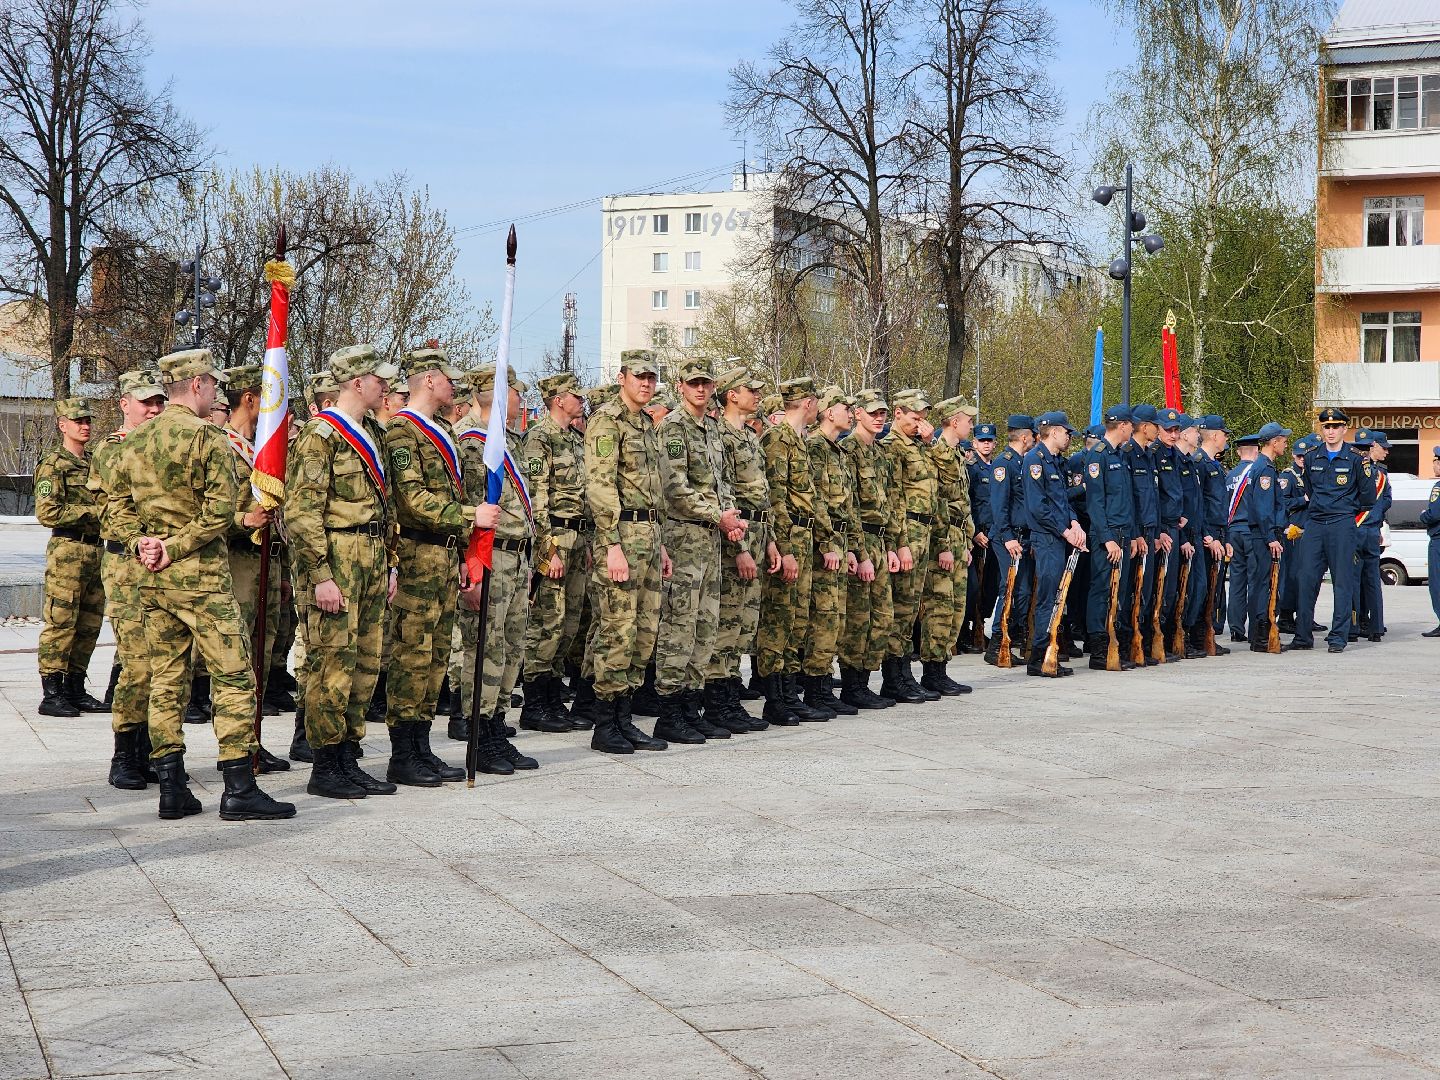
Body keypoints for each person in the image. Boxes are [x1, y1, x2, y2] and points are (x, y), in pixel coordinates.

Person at [108, 348, 293, 821]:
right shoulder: (208, 439)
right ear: (195, 386)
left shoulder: (135, 442)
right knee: (232, 675)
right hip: (202, 579)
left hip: (154, 581)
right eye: (211, 383)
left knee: (166, 680)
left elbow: (117, 509)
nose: (216, 391)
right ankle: (238, 786)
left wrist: (144, 544)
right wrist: (175, 544)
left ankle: (171, 788)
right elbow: (217, 512)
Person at [285, 344, 400, 798]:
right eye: (379, 379)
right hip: (337, 556)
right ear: (357, 382)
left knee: (366, 662)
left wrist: (389, 562)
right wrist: (320, 575)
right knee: (332, 662)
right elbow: (301, 512)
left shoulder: (372, 429)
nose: (386, 386)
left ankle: (349, 754)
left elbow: (384, 503)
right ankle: (326, 763)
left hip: (371, 556)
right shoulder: (321, 435)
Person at [382, 346, 481, 785]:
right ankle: (403, 751)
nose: (453, 385)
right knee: (413, 654)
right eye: (448, 378)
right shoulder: (403, 433)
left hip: (443, 555)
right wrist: (468, 518)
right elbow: (413, 499)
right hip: (418, 555)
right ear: (427, 379)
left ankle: (422, 745)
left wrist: (461, 549)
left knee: (437, 654)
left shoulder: (440, 430)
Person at [652, 358, 748, 742]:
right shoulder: (674, 427)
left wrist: (731, 529)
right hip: (685, 537)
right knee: (679, 626)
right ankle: (669, 711)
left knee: (705, 627)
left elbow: (722, 486)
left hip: (711, 538)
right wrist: (718, 515)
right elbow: (674, 487)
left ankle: (692, 706)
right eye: (694, 384)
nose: (701, 390)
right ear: (681, 386)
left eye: (706, 383)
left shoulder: (711, 428)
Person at [584, 349, 672, 753]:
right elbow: (601, 487)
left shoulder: (647, 423)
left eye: (652, 377)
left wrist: (663, 544)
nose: (646, 383)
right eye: (639, 376)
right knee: (617, 630)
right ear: (622, 377)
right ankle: (606, 724)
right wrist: (611, 545)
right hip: (621, 536)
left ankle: (626, 717)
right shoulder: (607, 420)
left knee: (644, 631)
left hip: (650, 536)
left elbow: (655, 490)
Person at [455, 363, 538, 773]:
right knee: (484, 650)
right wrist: (471, 567)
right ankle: (478, 733)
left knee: (510, 648)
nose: (521, 399)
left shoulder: (509, 442)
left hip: (516, 557)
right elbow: (469, 511)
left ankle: (496, 726)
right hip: (490, 557)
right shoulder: (471, 444)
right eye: (516, 392)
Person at [89, 370, 166, 787]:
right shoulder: (113, 449)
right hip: (127, 564)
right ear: (124, 404)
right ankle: (124, 755)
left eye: (158, 402)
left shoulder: (162, 445)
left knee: (163, 662)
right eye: (144, 402)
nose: (153, 409)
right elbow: (114, 511)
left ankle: (150, 750)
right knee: (137, 661)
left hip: (161, 562)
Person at [217, 364, 289, 773]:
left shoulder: (259, 447)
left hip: (269, 559)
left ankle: (255, 739)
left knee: (264, 650)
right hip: (239, 562)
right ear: (250, 399)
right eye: (269, 399)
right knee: (241, 656)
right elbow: (209, 508)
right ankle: (238, 746)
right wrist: (242, 520)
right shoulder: (223, 446)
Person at [705, 364, 777, 731]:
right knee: (727, 624)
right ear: (732, 394)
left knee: (745, 624)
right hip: (736, 539)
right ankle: (717, 703)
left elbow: (762, 497)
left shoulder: (749, 436)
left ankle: (731, 699)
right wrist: (741, 548)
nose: (757, 394)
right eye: (751, 389)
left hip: (759, 532)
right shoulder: (720, 438)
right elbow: (725, 500)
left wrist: (772, 543)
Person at [519, 372, 590, 733]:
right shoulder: (539, 438)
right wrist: (548, 550)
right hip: (556, 538)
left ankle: (552, 698)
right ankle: (534, 702)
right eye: (574, 394)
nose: (581, 399)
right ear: (558, 399)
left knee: (570, 623)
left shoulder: (576, 440)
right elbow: (536, 499)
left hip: (579, 537)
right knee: (548, 621)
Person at [34, 397, 108, 716]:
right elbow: (48, 511)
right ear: (62, 425)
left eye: (88, 420)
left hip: (96, 550)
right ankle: (52, 693)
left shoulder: (93, 463)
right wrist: (94, 512)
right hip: (67, 551)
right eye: (78, 421)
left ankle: (75, 687)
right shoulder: (53, 464)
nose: (85, 425)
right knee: (61, 621)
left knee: (89, 623)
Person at [1286, 407, 1375, 653]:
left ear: (1345, 429)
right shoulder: (1313, 456)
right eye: (1327, 427)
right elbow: (1311, 493)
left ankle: (1338, 637)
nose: (1331, 431)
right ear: (1322, 429)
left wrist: (1344, 509)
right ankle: (1303, 636)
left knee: (1343, 581)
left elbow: (1368, 498)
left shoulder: (1357, 458)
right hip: (1315, 523)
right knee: (1305, 579)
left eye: (1336, 426)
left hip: (1341, 524)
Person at [881, 389, 948, 701]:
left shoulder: (921, 446)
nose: (920, 422)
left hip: (925, 529)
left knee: (911, 610)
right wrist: (900, 542)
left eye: (923, 417)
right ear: (898, 413)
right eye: (914, 417)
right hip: (906, 528)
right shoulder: (891, 446)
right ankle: (894, 676)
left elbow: (942, 481)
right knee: (900, 608)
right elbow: (892, 497)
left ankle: (905, 673)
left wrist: (930, 443)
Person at [839, 389, 904, 707]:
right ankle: (852, 685)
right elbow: (847, 505)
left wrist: (892, 545)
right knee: (858, 617)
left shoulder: (879, 453)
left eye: (883, 413)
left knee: (882, 617)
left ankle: (864, 679)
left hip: (879, 540)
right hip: (860, 540)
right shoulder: (847, 450)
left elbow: (890, 505)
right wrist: (856, 550)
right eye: (873, 413)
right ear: (857, 414)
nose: (880, 418)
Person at [802, 385, 860, 714]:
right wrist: (827, 542)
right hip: (822, 544)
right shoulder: (814, 448)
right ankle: (814, 688)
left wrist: (850, 546)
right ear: (827, 411)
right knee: (822, 618)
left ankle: (823, 684)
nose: (850, 412)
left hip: (839, 541)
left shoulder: (837, 450)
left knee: (835, 617)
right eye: (844, 406)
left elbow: (846, 505)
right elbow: (815, 501)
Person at [1022, 412, 1086, 676]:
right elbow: (1038, 508)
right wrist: (1064, 530)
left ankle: (1049, 650)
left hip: (1060, 537)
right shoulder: (1034, 461)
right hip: (1047, 538)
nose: (1069, 436)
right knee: (1049, 598)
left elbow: (1062, 501)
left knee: (1059, 598)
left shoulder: (1056, 462)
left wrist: (1074, 523)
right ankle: (1038, 656)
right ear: (1054, 431)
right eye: (1066, 432)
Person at [920, 398, 974, 695]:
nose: (971, 425)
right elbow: (939, 501)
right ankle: (932, 670)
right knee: (939, 606)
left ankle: (942, 666)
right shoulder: (936, 452)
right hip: (942, 536)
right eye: (968, 420)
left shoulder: (955, 453)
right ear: (954, 421)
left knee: (956, 607)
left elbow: (963, 504)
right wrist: (943, 542)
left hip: (957, 536)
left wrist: (964, 539)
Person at [1082, 404, 1137, 669]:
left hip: (1123, 533)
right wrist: (1107, 538)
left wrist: (1133, 535)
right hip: (1108, 536)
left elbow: (1127, 502)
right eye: (1131, 425)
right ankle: (1099, 649)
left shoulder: (1120, 455)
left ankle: (1114, 642)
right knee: (1102, 589)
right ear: (1123, 425)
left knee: (1120, 591)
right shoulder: (1099, 456)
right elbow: (1095, 503)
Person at [985, 415, 1035, 667]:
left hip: (1022, 536)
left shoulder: (1022, 463)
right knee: (1010, 589)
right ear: (1024, 437)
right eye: (1033, 435)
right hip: (1007, 537)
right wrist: (1007, 537)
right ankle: (996, 643)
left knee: (1023, 590)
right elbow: (999, 505)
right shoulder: (1004, 464)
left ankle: (1010, 636)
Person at [1239, 422, 1289, 653]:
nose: (1286, 444)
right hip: (1263, 536)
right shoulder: (1265, 470)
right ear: (1274, 441)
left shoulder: (1263, 466)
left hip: (1263, 534)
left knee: (1263, 583)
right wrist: (1271, 537)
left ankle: (1259, 635)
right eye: (1283, 440)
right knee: (1264, 584)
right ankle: (1260, 635)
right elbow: (1263, 508)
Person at [1124, 405, 1162, 665]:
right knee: (1131, 591)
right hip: (1136, 534)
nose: (1158, 430)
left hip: (1150, 532)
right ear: (1144, 426)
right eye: (1155, 425)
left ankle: (1143, 643)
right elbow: (1130, 501)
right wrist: (1136, 534)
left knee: (1146, 591)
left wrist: (1155, 533)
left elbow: (1152, 500)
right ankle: (1128, 645)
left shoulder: (1150, 455)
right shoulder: (1128, 455)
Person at [1192, 416, 1231, 657]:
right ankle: (1197, 637)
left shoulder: (1214, 464)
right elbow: (1200, 506)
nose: (1226, 438)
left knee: (1213, 590)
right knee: (1202, 588)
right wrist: (1209, 536)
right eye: (1224, 434)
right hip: (1208, 536)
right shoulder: (1200, 463)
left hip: (1218, 532)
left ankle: (1206, 636)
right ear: (1215, 436)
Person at [1353, 430, 1392, 642]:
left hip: (1356, 529)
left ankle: (1354, 625)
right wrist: (1375, 518)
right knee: (1372, 582)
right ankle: (1376, 627)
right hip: (1371, 530)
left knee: (1353, 580)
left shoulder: (1353, 469)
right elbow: (1387, 500)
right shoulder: (1380, 473)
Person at [962, 422, 998, 650]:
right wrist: (974, 532)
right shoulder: (971, 468)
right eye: (981, 441)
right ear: (974, 443)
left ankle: (980, 625)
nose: (985, 444)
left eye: (989, 440)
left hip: (995, 532)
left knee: (991, 586)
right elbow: (967, 503)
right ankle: (966, 630)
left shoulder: (997, 468)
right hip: (976, 533)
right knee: (972, 586)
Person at [1225, 433, 1261, 641]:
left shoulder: (1230, 476)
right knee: (1255, 581)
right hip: (1251, 531)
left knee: (1237, 581)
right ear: (1256, 451)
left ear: (1239, 452)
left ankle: (1236, 627)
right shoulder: (1257, 473)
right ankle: (1256, 626)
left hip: (1233, 531)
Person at [1420, 446, 1440, 638]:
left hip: (1438, 540)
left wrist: (1423, 516)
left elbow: (1434, 514)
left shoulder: (1439, 487)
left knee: (1437, 583)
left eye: (1435, 461)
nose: (1434, 465)